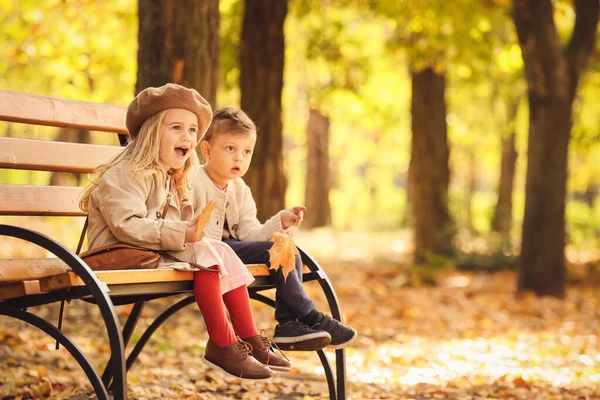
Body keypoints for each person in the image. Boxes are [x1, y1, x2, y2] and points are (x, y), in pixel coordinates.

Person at [78, 84, 290, 380]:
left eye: (192, 130)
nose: (187, 137)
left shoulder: (171, 176)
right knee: (207, 255)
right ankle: (223, 343)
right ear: (152, 132)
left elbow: (173, 227)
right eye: (176, 127)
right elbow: (127, 226)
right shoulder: (126, 172)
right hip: (117, 254)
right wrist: (182, 232)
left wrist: (189, 227)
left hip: (151, 252)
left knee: (222, 251)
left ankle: (250, 338)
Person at [192, 107, 357, 351]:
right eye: (230, 149)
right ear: (206, 150)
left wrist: (280, 222)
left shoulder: (240, 189)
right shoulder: (194, 180)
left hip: (232, 250)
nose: (239, 158)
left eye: (246, 151)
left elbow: (250, 234)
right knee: (278, 248)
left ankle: (288, 323)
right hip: (207, 253)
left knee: (285, 246)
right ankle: (308, 314)